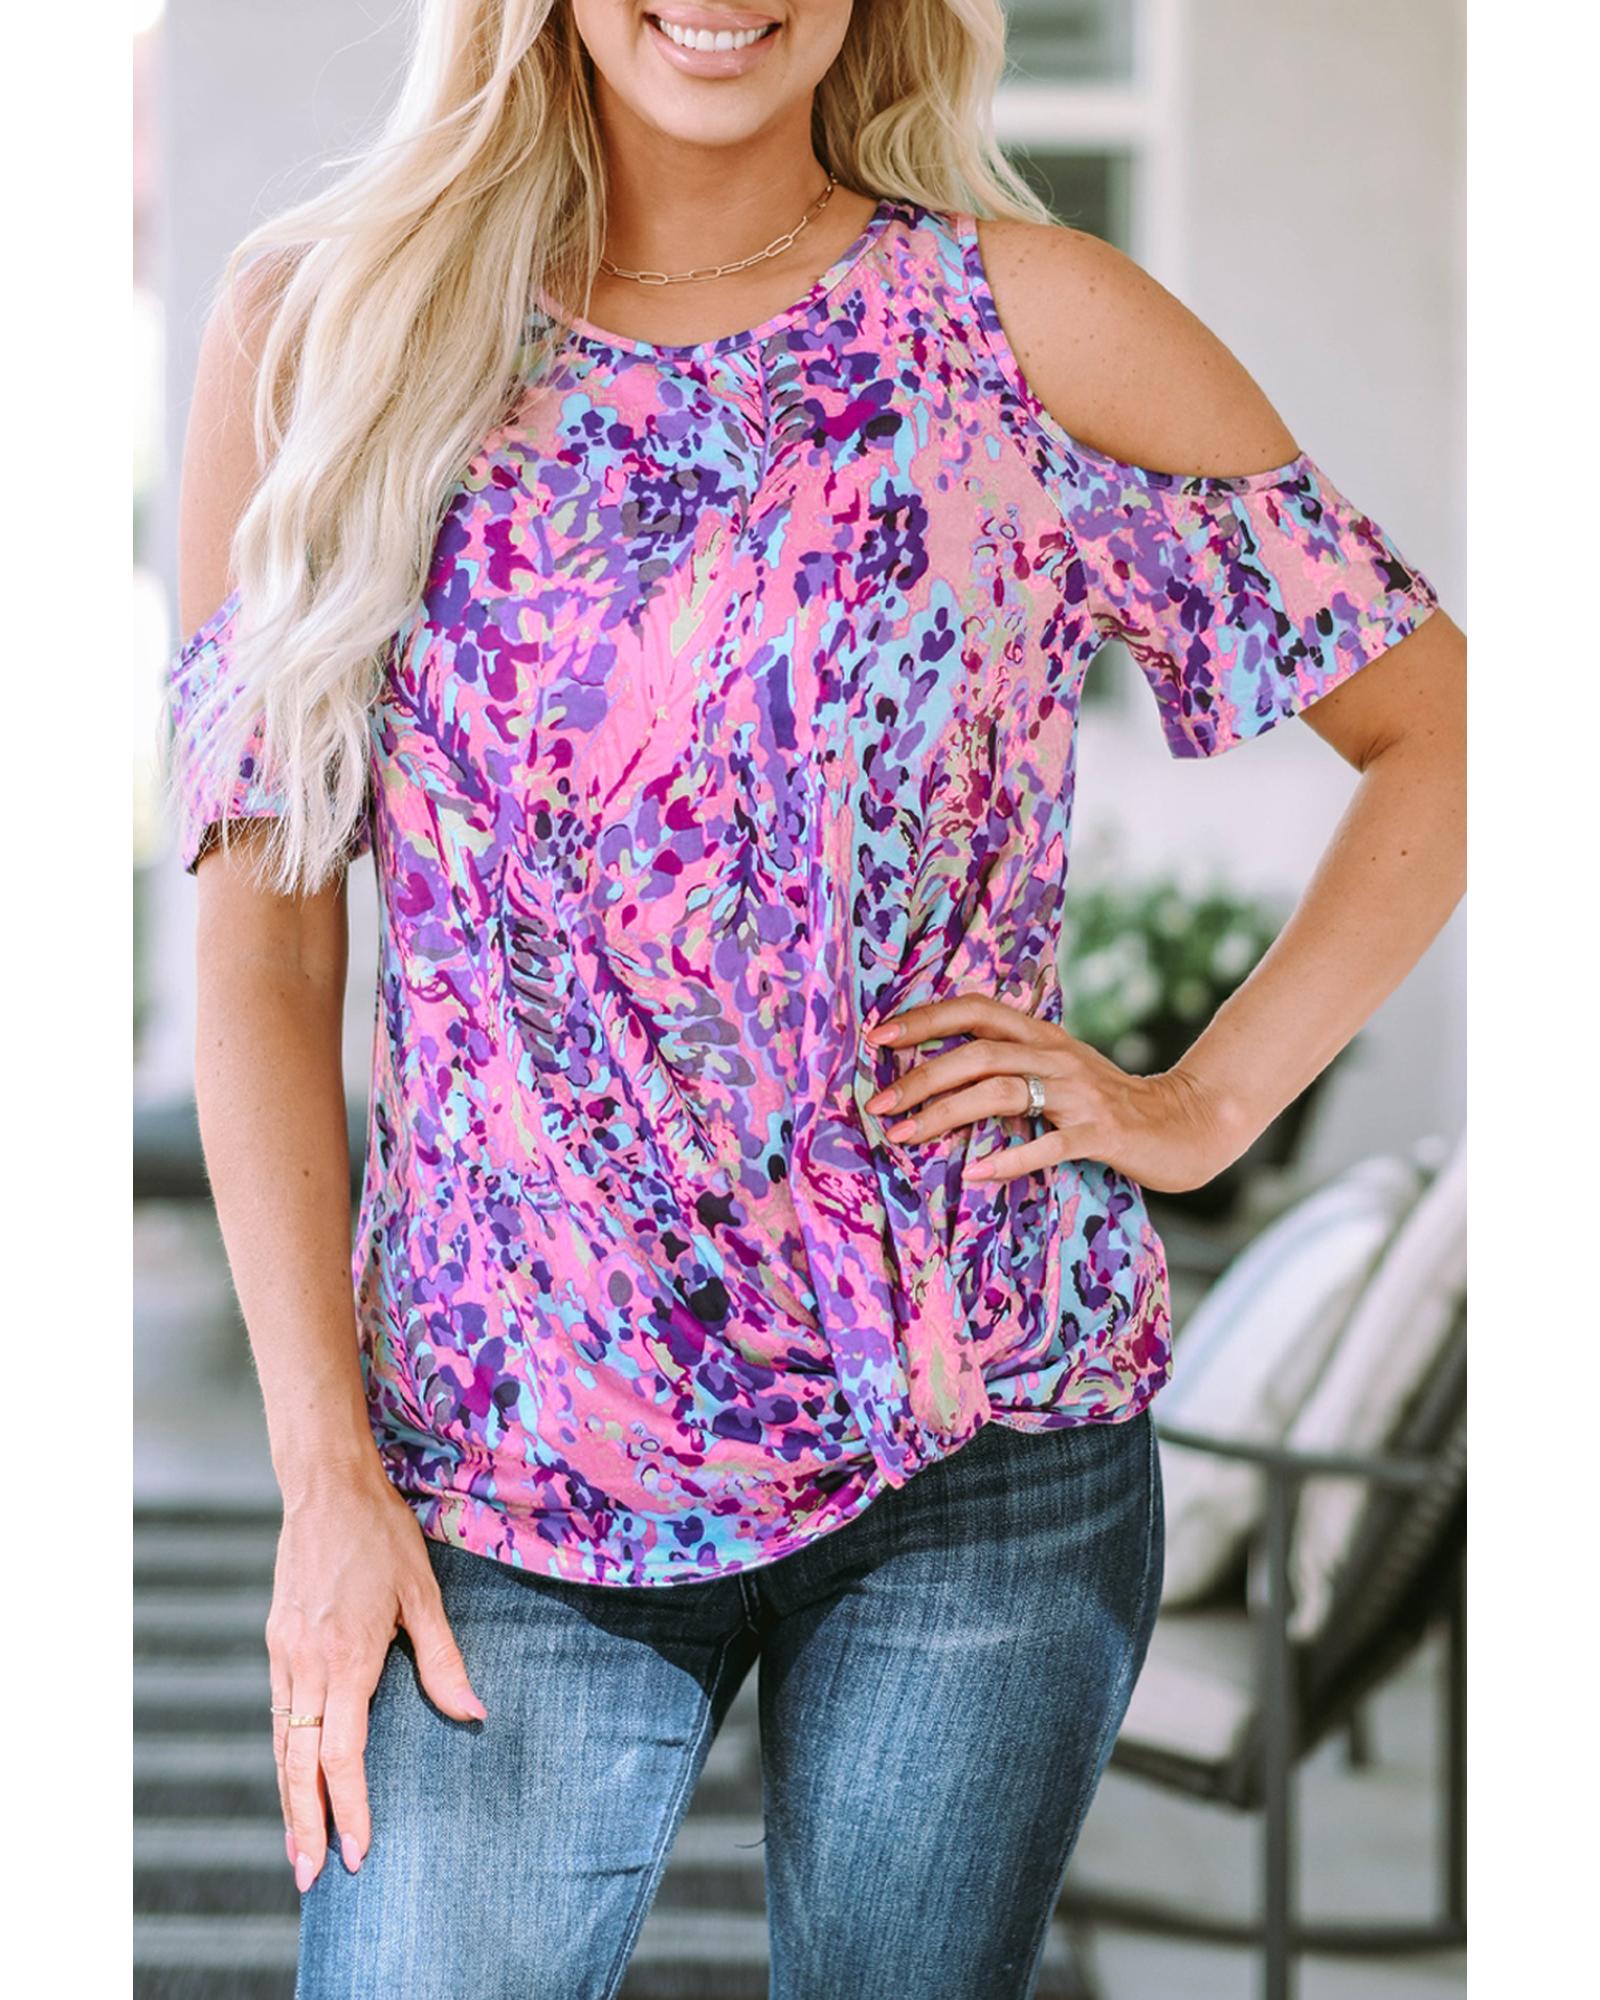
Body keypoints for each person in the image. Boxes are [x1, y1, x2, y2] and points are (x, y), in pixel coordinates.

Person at [162, 3, 1467, 1996]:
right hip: (504, 1461)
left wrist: (1203, 1104)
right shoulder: (323, 335)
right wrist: (323, 1475)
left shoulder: (1023, 328)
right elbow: (265, 952)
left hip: (977, 1452)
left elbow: (1446, 733)